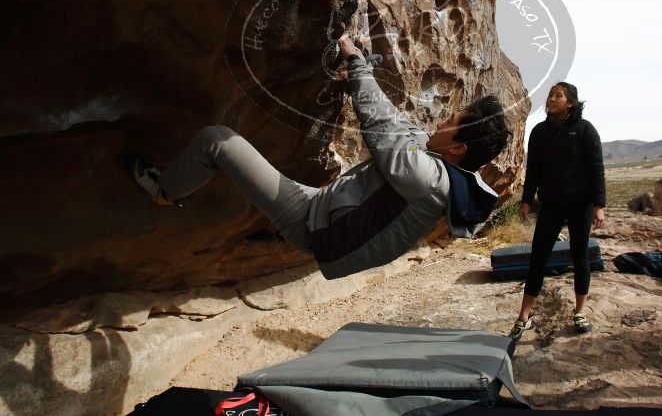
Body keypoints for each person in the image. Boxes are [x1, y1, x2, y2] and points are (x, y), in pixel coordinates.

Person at [128, 33, 511, 279]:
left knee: (217, 141)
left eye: (450, 123)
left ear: (458, 148)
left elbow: (381, 125)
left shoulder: (426, 179)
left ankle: (164, 191)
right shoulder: (436, 165)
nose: (440, 122)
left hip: (312, 225)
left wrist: (355, 59)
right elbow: (398, 123)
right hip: (321, 208)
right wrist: (357, 75)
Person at [510, 82, 605, 339]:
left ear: (570, 102)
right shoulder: (540, 131)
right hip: (551, 204)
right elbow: (534, 170)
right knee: (538, 257)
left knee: (580, 256)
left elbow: (596, 168)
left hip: (580, 204)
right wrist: (526, 200)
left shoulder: (585, 130)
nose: (551, 99)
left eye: (557, 95)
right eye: (550, 95)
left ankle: (580, 312)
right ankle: (523, 316)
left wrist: (599, 206)